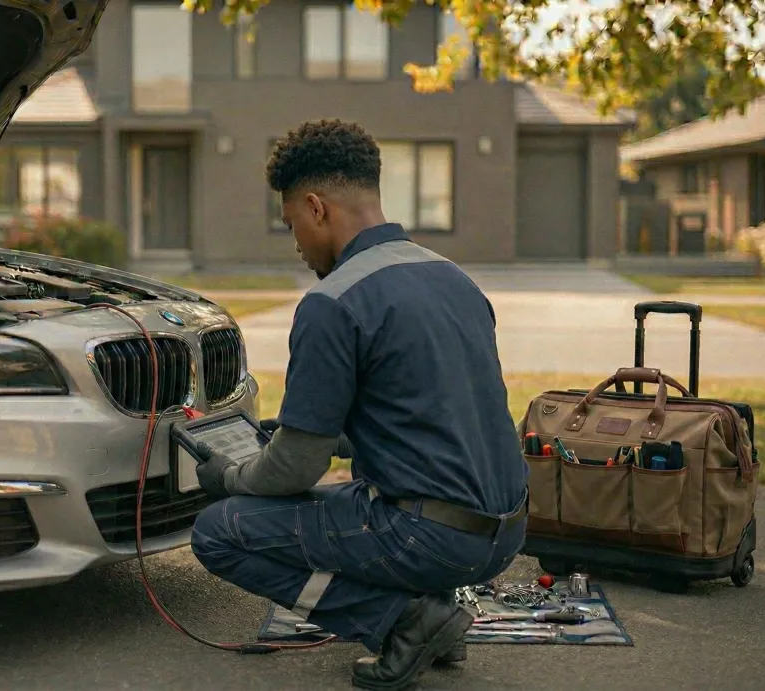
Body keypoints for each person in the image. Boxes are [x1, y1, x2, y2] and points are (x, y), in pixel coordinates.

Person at [189, 119, 529, 690]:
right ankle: (436, 616)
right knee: (362, 498)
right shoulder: (452, 278)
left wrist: (231, 475)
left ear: (316, 207)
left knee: (220, 531)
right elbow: (428, 414)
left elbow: (297, 468)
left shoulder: (333, 302)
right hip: (507, 532)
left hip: (430, 539)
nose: (296, 243)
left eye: (292, 222)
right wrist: (320, 432)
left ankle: (406, 622)